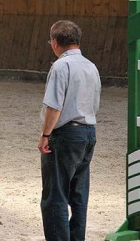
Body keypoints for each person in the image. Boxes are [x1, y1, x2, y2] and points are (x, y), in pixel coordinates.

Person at [38, 20, 101, 241]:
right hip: (88, 133)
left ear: (55, 43)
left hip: (65, 135)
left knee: (55, 196)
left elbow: (55, 106)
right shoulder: (91, 66)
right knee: (79, 197)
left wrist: (46, 134)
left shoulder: (61, 66)